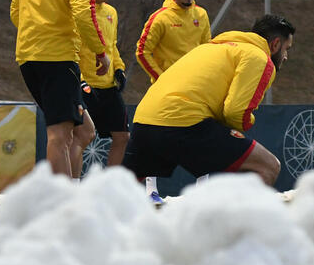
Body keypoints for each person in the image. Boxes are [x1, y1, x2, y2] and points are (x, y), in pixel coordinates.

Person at [123, 14, 294, 188]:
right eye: (287, 49)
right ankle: (231, 207)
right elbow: (236, 112)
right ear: (275, 45)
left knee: (122, 189)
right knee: (268, 167)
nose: (286, 56)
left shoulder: (210, 47)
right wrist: (249, 122)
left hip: (144, 120)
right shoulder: (259, 58)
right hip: (183, 122)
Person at [11, 0, 108, 178]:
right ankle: (62, 200)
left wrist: (36, 32)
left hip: (28, 56)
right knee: (59, 135)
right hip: (58, 58)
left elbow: (15, 11)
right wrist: (100, 51)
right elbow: (83, 13)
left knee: (84, 131)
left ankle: (72, 192)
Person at [135, 0, 211, 202]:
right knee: (157, 139)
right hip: (166, 91)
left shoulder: (201, 15)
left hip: (194, 90)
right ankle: (151, 190)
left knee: (204, 136)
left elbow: (207, 50)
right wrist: (162, 78)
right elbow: (142, 51)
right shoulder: (161, 18)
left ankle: (202, 191)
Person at [79, 0, 128, 169]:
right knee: (81, 137)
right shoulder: (79, 13)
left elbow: (112, 46)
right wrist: (80, 81)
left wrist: (119, 68)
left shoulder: (111, 12)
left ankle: (109, 182)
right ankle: (71, 181)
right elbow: (71, 49)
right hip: (86, 86)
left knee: (123, 136)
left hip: (108, 86)